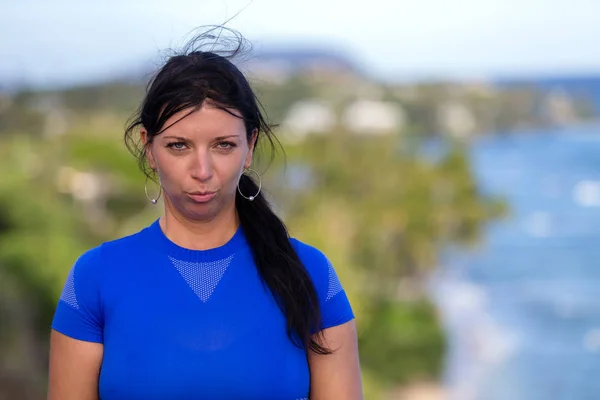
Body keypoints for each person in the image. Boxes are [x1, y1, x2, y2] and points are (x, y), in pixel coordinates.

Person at [47, 27, 363, 400]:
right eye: (179, 146)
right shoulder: (95, 279)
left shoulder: (310, 275)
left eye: (223, 145)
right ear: (149, 149)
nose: (202, 170)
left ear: (250, 147)